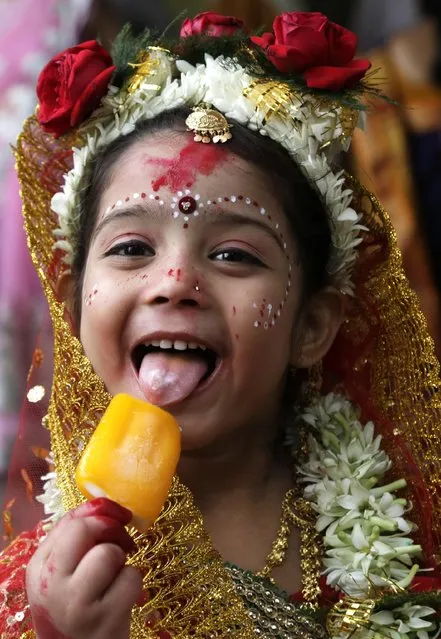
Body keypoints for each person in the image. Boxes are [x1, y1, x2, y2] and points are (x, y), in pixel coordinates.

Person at [1, 9, 441, 639]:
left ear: (313, 325)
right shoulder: (35, 591)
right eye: (131, 248)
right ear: (72, 305)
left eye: (234, 255)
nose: (175, 282)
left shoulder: (406, 547)